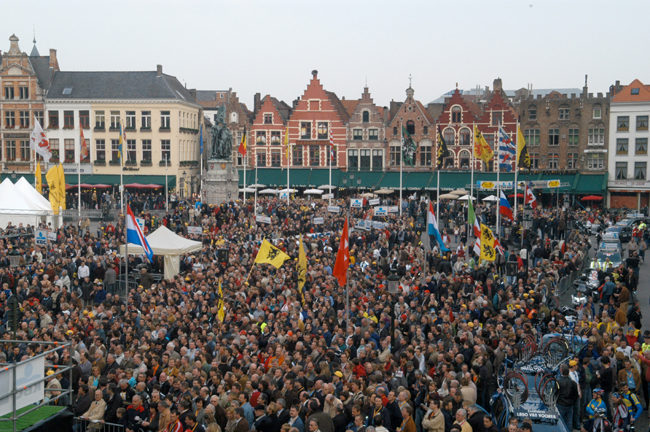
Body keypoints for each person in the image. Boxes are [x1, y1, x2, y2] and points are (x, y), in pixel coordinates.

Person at [557, 364, 579, 430]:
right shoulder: (573, 383)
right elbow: (576, 395)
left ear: (561, 371)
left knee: (560, 422)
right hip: (569, 405)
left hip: (561, 404)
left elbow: (555, 393)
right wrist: (572, 402)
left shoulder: (558, 382)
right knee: (569, 421)